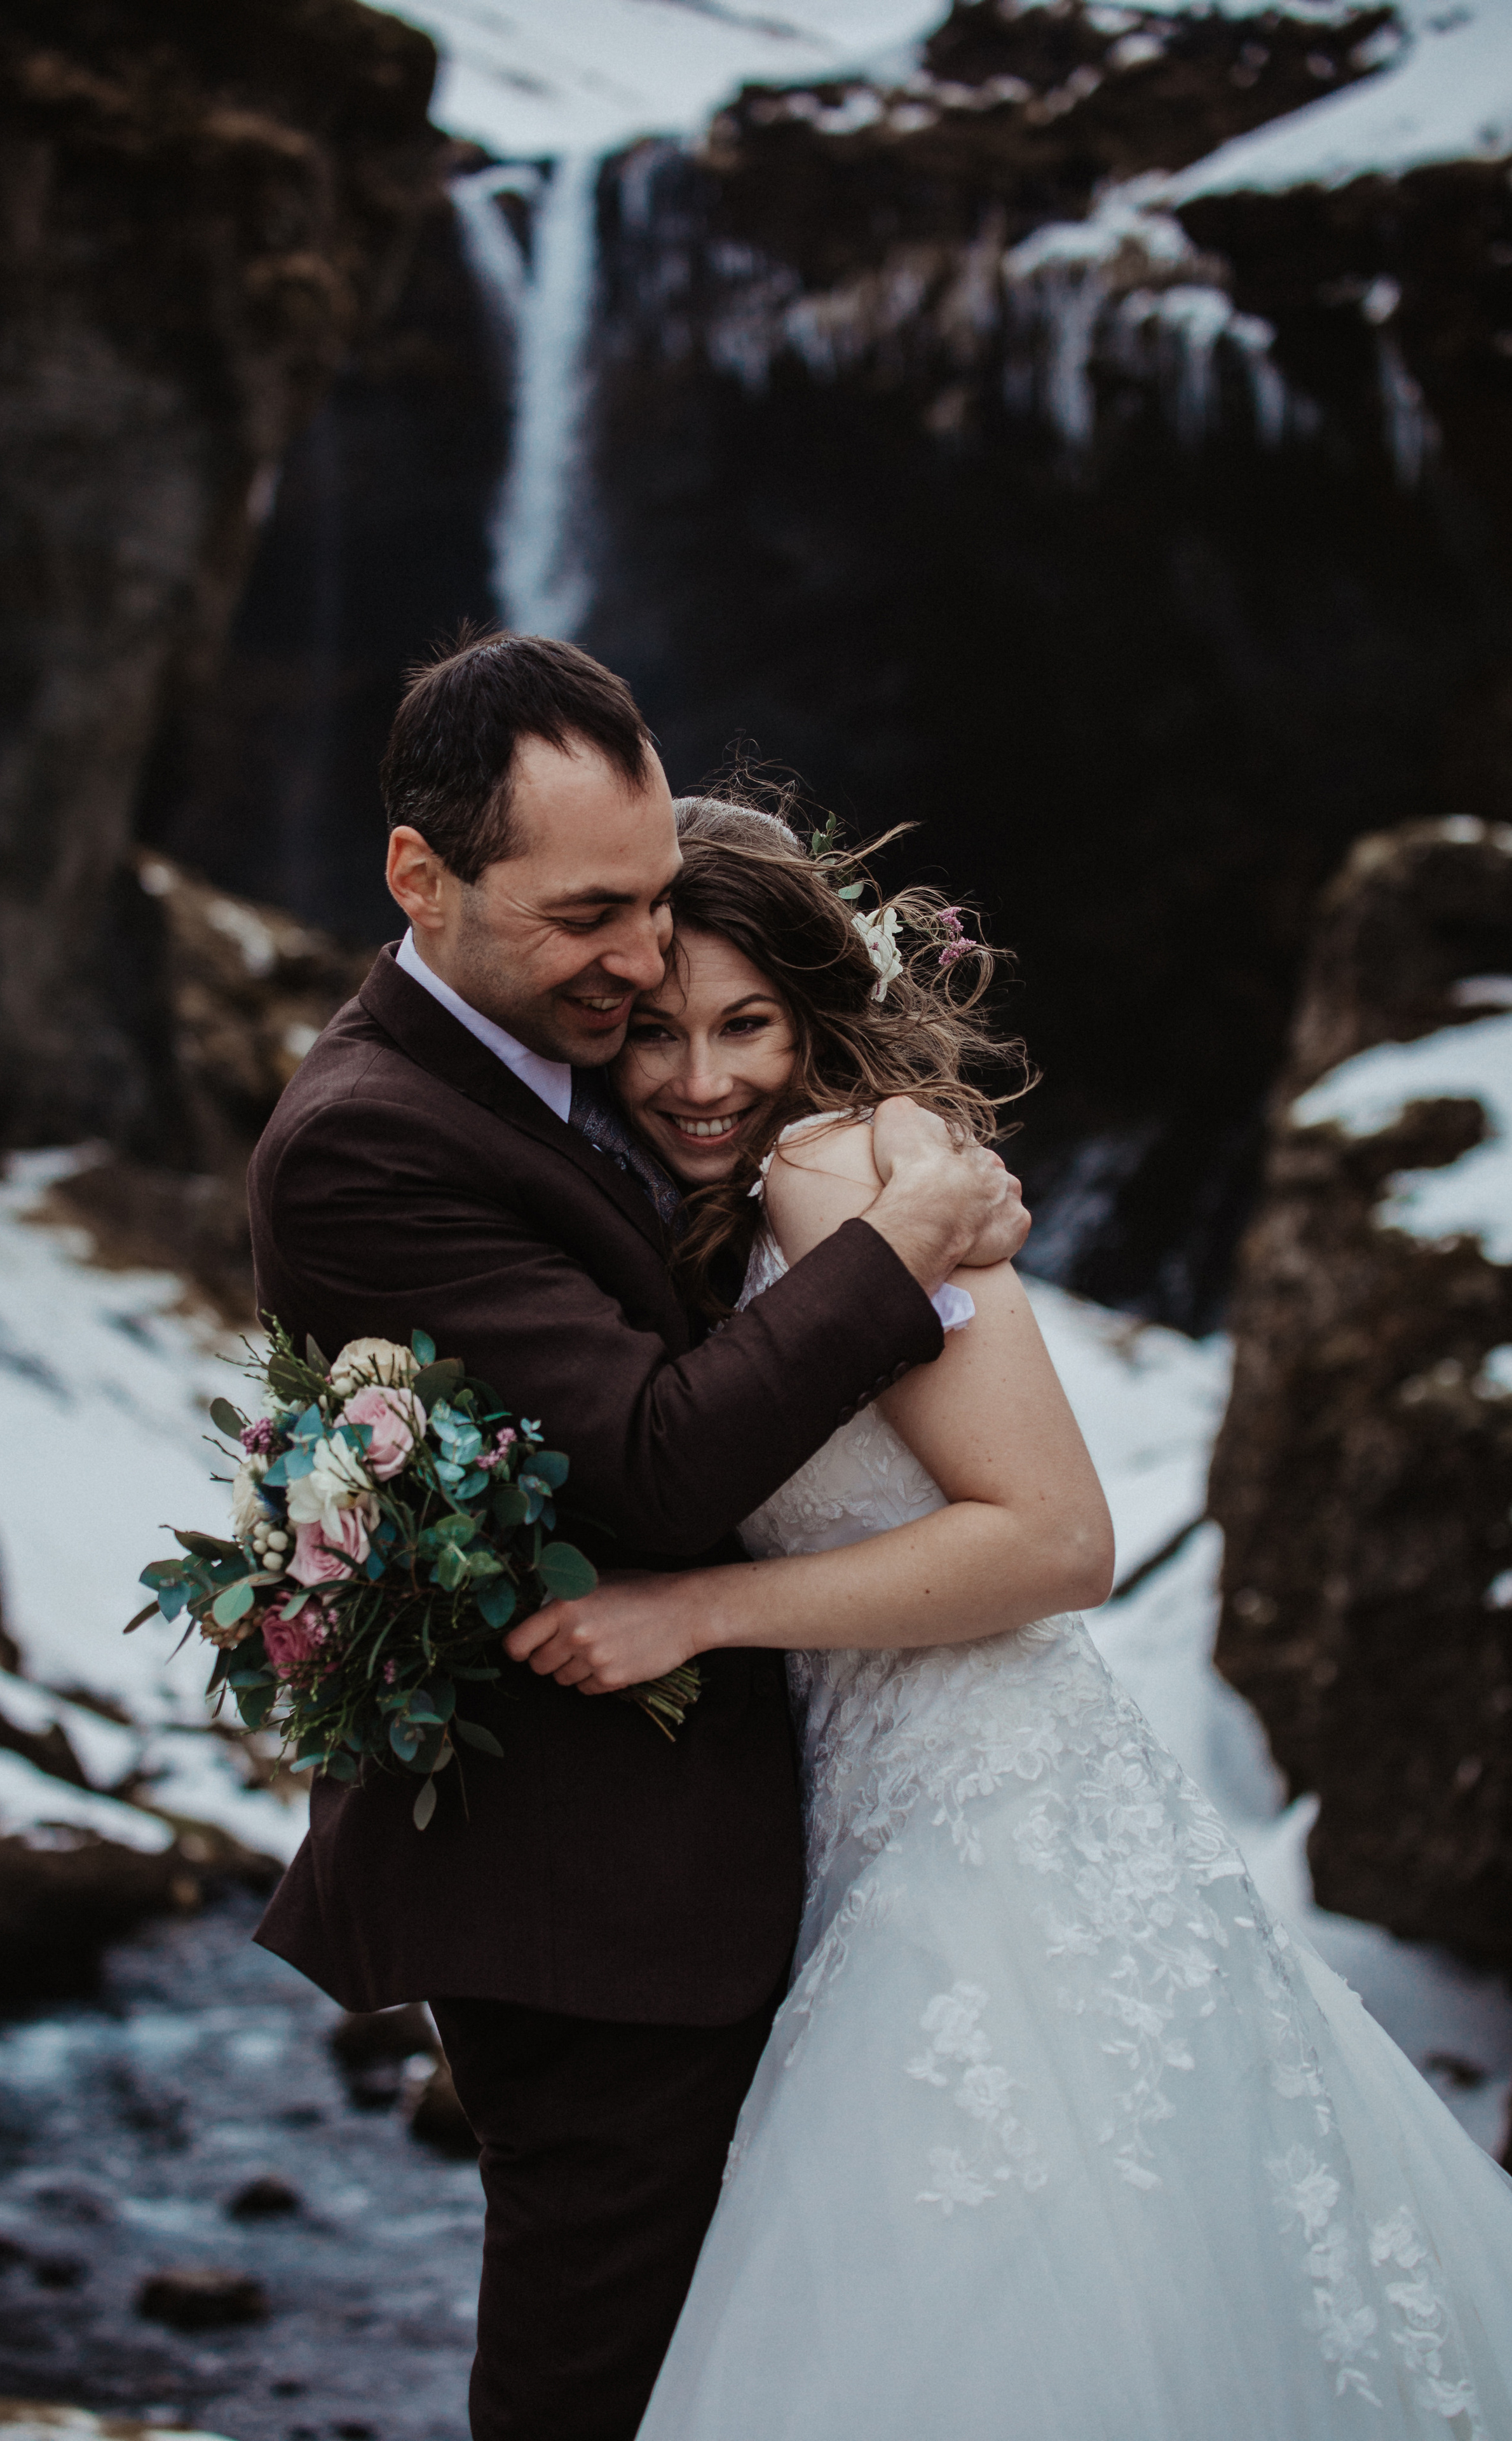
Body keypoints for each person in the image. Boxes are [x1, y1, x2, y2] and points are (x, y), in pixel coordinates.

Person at [508, 800, 1512, 2441]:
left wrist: (696, 1609)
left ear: (813, 1013)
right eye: (660, 1031)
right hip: (872, 1813)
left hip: (998, 1829)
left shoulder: (842, 1175)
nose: (701, 1077)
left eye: (749, 1023)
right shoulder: (746, 1196)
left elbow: (1060, 1535)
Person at [247, 638, 1032, 2441]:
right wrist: (898, 1247)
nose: (640, 963)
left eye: (662, 901)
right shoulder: (365, 1144)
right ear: (417, 877)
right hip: (585, 1899)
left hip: (745, 1855)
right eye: (592, 912)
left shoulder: (569, 1041)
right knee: (596, 2387)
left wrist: (894, 1164)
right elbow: (660, 1465)